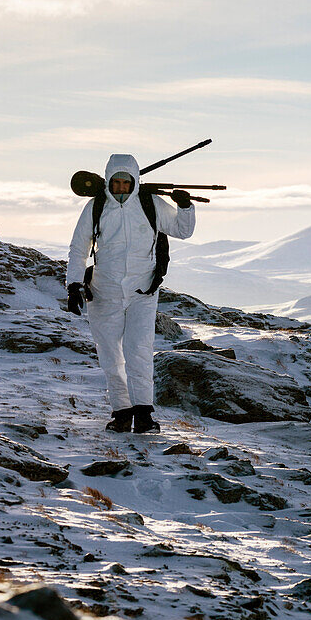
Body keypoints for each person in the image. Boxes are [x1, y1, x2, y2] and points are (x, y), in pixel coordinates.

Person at [65, 154, 196, 433]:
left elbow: (182, 231)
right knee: (110, 354)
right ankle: (122, 413)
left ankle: (144, 415)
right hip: (103, 292)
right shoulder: (95, 207)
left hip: (142, 292)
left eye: (126, 183)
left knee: (139, 351)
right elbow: (78, 248)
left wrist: (184, 207)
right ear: (108, 182)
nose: (121, 188)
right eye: (116, 183)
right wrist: (74, 285)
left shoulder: (150, 204)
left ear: (135, 182)